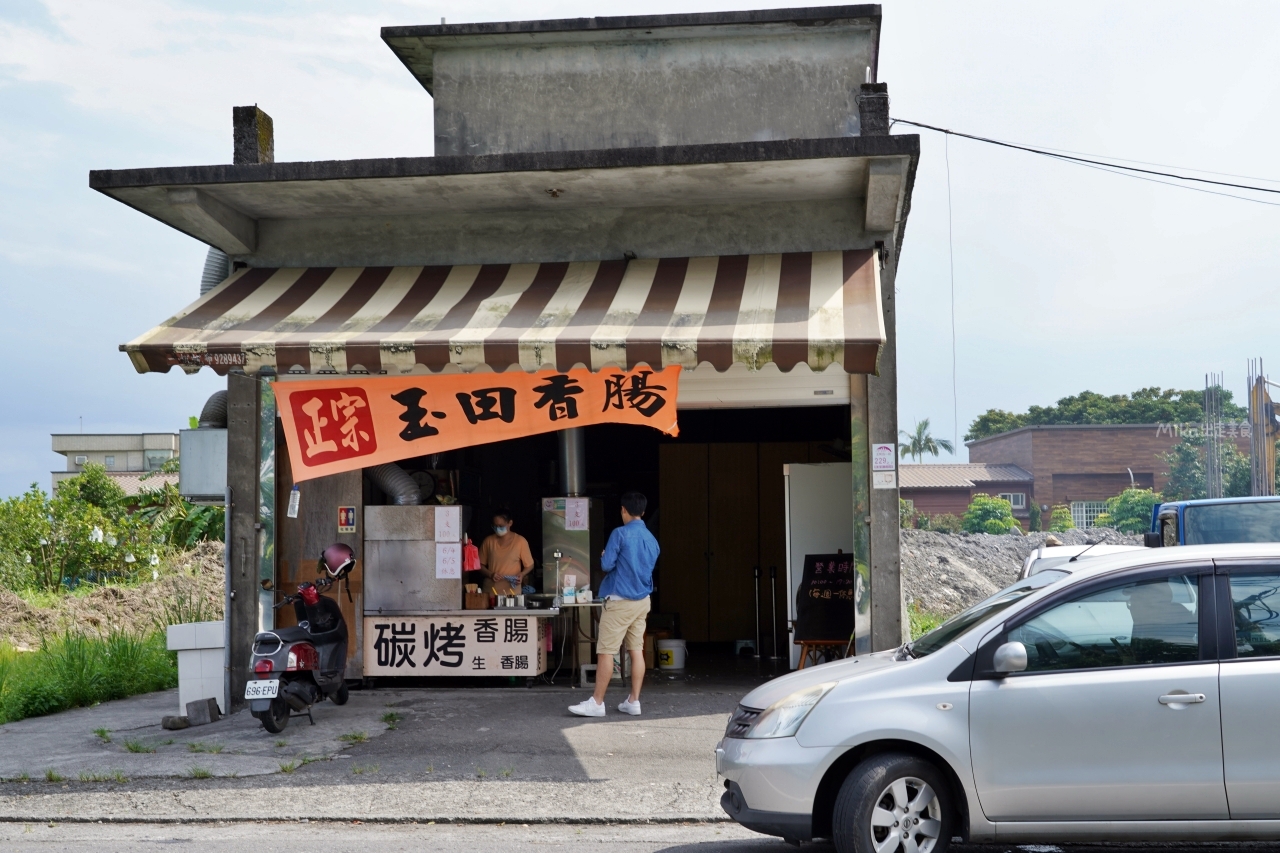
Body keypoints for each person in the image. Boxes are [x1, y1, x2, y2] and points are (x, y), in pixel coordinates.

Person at [569, 491, 659, 718]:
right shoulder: (651, 539)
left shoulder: (619, 534)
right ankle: (634, 701)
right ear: (644, 512)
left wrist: (604, 555)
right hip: (642, 600)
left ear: (623, 510)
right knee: (636, 650)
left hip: (620, 601)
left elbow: (607, 565)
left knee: (606, 652)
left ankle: (597, 702)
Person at [479, 509, 534, 595]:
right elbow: (480, 565)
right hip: (491, 591)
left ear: (510, 523)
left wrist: (522, 574)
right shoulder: (488, 541)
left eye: (501, 526)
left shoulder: (520, 541)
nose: (498, 529)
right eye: (495, 526)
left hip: (512, 591)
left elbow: (530, 565)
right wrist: (491, 574)